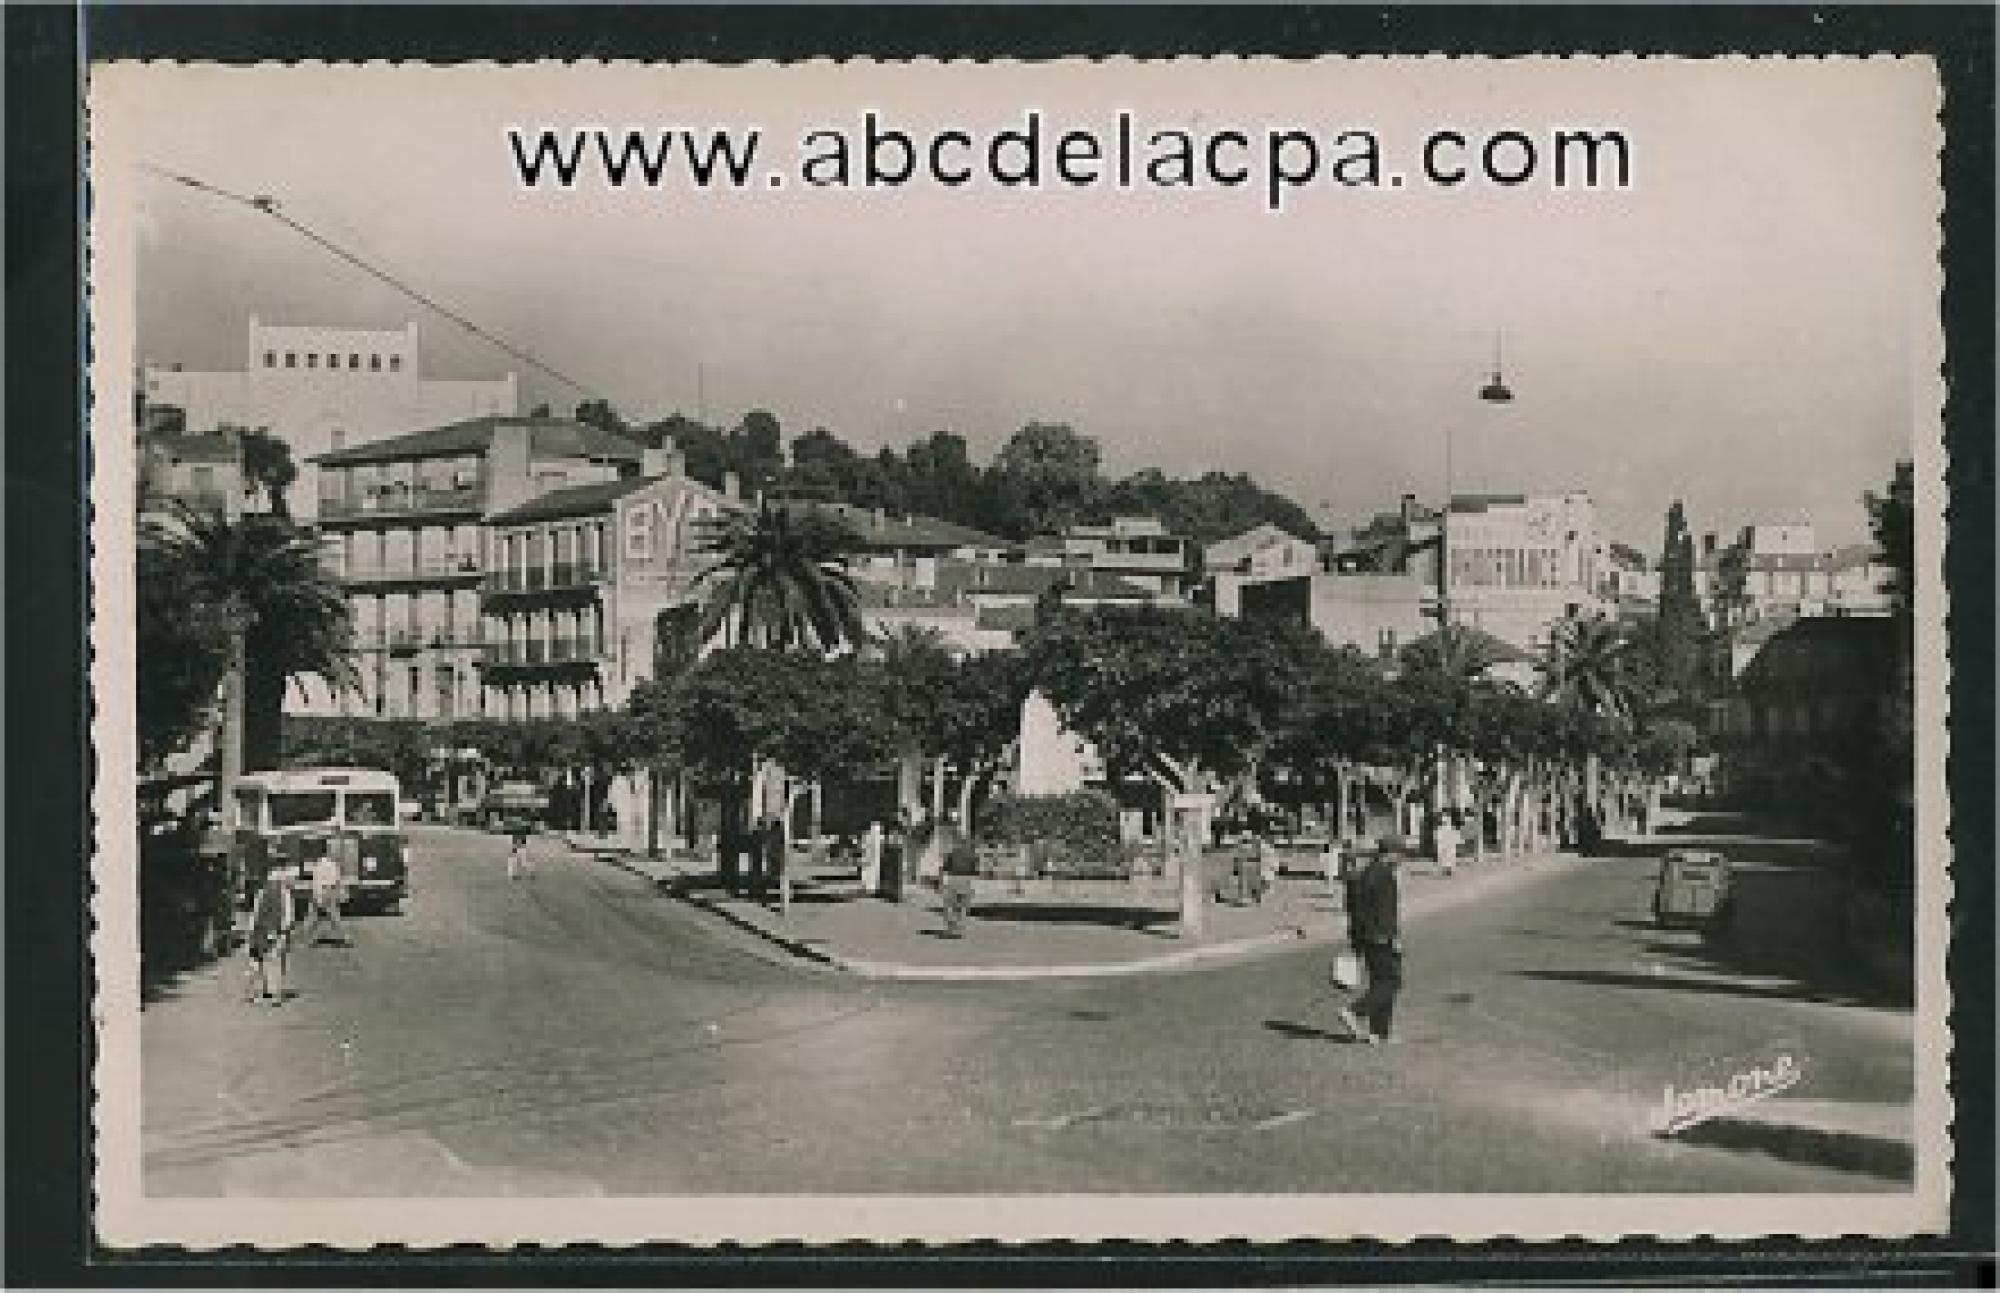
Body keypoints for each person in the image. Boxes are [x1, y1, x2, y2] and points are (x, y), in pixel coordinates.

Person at [1336, 843, 1403, 1044]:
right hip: (1381, 937)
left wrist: (1356, 939)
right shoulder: (1385, 876)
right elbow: (1387, 912)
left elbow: (1353, 909)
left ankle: (1379, 1033)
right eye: (1400, 853)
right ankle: (1354, 1011)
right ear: (1390, 853)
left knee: (1379, 982)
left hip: (1365, 936)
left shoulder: (1364, 874)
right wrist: (1393, 938)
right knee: (1392, 982)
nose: (1402, 858)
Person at [244, 864, 298, 1006]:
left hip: (260, 931)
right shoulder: (284, 894)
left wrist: (250, 932)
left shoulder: (262, 892)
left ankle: (257, 992)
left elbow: (255, 914)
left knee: (258, 962)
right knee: (274, 962)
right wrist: (285, 931)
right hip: (275, 932)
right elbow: (288, 917)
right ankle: (273, 993)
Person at [302, 844, 351, 946]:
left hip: (318, 892)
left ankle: (310, 938)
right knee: (334, 917)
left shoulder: (317, 865)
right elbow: (336, 880)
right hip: (329, 892)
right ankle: (344, 937)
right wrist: (340, 893)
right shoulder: (333, 865)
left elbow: (314, 879)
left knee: (313, 917)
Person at [1432, 809, 1462, 878]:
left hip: (1445, 844)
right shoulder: (1449, 828)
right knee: (1448, 856)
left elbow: (1437, 837)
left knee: (1446, 857)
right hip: (1447, 844)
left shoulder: (1441, 828)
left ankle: (1447, 868)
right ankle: (1448, 868)